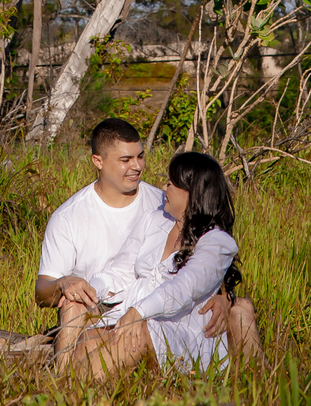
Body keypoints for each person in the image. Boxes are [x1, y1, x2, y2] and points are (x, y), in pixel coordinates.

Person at [35, 118, 230, 355]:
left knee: (243, 309)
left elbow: (202, 262)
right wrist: (66, 284)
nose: (137, 166)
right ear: (98, 161)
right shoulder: (68, 217)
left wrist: (225, 295)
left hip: (155, 307)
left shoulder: (163, 203)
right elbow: (43, 292)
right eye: (125, 160)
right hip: (100, 304)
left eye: (140, 156)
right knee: (73, 304)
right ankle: (61, 377)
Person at [66, 150, 262, 379]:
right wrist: (90, 288)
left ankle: (73, 397)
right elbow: (122, 270)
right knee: (89, 340)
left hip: (183, 331)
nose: (164, 187)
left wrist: (138, 312)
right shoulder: (155, 219)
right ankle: (72, 391)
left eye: (171, 183)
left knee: (137, 335)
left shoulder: (217, 242)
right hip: (134, 315)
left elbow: (184, 288)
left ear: (192, 193)